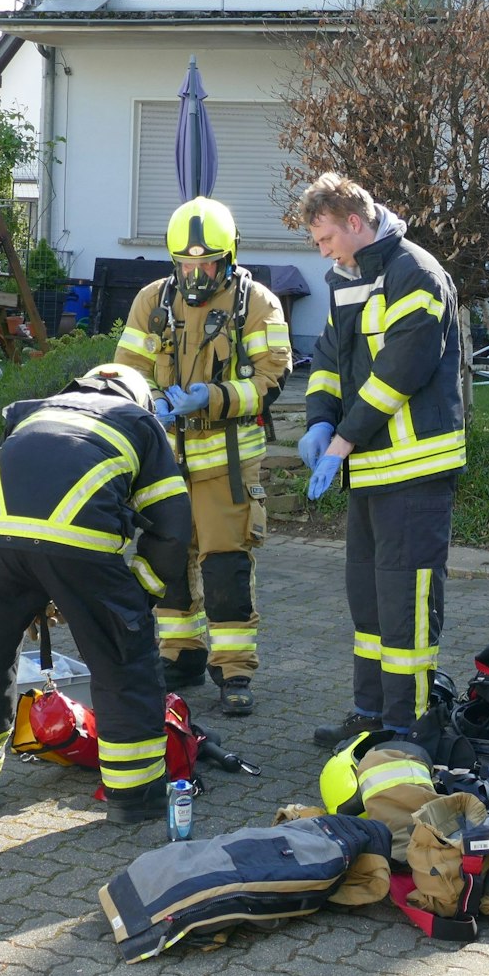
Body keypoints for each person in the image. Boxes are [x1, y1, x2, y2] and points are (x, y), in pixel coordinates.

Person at [0, 363, 190, 820]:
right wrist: (136, 601)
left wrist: (31, 589)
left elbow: (18, 495)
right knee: (123, 666)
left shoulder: (30, 414)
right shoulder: (140, 423)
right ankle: (134, 799)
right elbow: (170, 528)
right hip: (79, 545)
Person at [297, 173, 466, 747]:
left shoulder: (414, 273)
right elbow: (328, 355)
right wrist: (319, 417)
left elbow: (402, 368)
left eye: (324, 239)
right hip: (371, 472)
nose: (321, 251)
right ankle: (371, 715)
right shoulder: (348, 276)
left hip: (415, 471)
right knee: (369, 602)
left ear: (354, 222)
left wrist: (341, 439)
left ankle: (410, 727)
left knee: (407, 606)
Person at [111, 196, 291, 717]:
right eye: (186, 264)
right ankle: (180, 656)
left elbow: (271, 381)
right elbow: (127, 370)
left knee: (225, 567)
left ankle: (234, 672)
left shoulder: (257, 303)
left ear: (229, 257)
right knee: (167, 561)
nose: (195, 274)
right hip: (163, 462)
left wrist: (210, 399)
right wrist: (146, 401)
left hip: (227, 466)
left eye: (206, 263)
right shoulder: (152, 300)